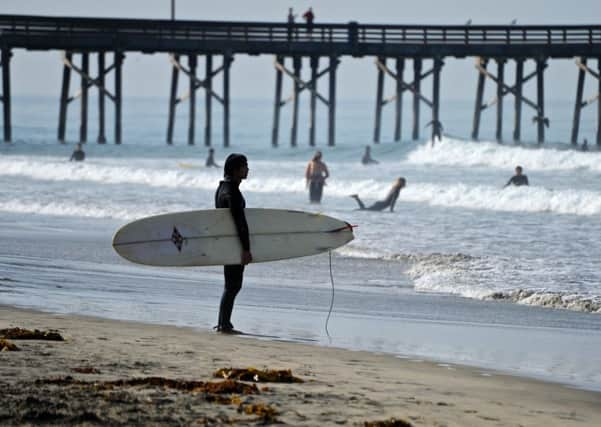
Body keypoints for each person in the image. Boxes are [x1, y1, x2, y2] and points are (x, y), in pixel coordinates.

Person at [214, 154, 252, 334]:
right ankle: (224, 324)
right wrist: (246, 249)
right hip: (234, 244)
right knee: (233, 285)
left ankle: (223, 322)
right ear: (236, 170)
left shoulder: (222, 189)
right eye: (244, 166)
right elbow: (239, 222)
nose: (247, 169)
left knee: (231, 285)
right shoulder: (232, 193)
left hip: (226, 242)